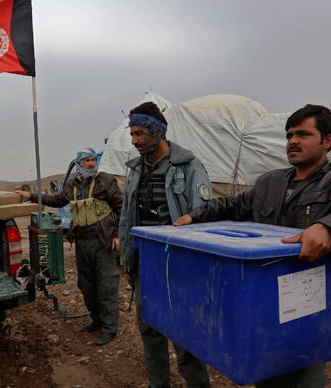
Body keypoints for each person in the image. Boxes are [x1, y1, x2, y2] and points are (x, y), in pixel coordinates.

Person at [175, 104, 331, 387]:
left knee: (305, 371)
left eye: (303, 134)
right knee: (265, 371)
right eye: (289, 135)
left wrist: (328, 227)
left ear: (328, 141)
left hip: (307, 299)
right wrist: (194, 215)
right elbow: (232, 205)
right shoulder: (270, 182)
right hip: (264, 295)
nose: (292, 142)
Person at [119, 102, 212, 388]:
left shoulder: (189, 165)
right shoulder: (135, 169)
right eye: (131, 134)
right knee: (149, 331)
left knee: (185, 336)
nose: (134, 140)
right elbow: (126, 216)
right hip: (146, 264)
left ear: (157, 131)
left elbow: (204, 218)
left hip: (178, 266)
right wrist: (127, 258)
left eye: (139, 133)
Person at [14, 147, 123, 346]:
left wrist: (117, 236)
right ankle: (97, 321)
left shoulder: (106, 181)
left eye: (93, 160)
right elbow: (55, 200)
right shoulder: (73, 184)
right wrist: (30, 196)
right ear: (79, 163)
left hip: (102, 242)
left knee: (106, 285)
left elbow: (121, 208)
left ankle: (109, 329)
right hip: (82, 241)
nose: (91, 163)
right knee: (86, 285)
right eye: (87, 160)